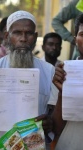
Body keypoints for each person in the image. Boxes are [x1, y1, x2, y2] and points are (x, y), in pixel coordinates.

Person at [0, 10, 57, 149]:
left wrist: (50, 123)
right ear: (7, 36)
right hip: (1, 144)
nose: (23, 38)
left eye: (29, 33)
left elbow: (53, 116)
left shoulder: (49, 71)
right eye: (17, 33)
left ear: (36, 36)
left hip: (35, 145)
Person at [51, 13, 83, 150]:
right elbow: (56, 128)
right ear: (75, 40)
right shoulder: (63, 73)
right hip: (70, 144)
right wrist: (61, 94)